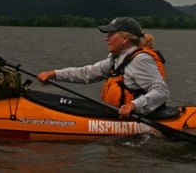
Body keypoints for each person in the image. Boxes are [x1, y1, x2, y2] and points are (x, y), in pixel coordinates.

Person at [37, 17, 169, 119]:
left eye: (111, 34)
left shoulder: (140, 60)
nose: (106, 39)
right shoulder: (115, 59)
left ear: (124, 38)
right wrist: (55, 74)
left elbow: (161, 91)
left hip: (139, 117)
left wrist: (133, 105)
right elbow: (87, 73)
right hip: (115, 115)